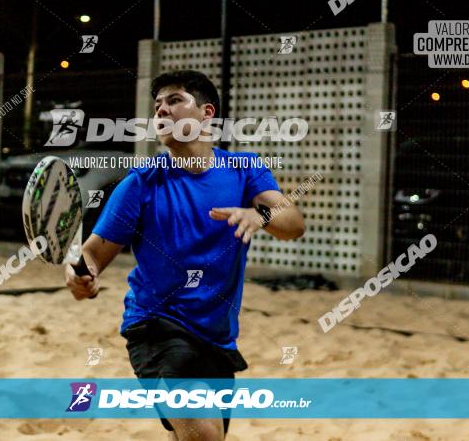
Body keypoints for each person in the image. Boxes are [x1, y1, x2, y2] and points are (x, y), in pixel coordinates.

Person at [65, 70, 305, 441]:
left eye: (174, 101)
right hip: (157, 326)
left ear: (207, 113)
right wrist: (81, 276)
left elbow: (293, 223)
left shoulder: (245, 170)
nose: (162, 110)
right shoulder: (140, 183)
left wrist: (261, 215)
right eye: (157, 105)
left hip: (218, 335)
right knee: (204, 435)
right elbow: (94, 254)